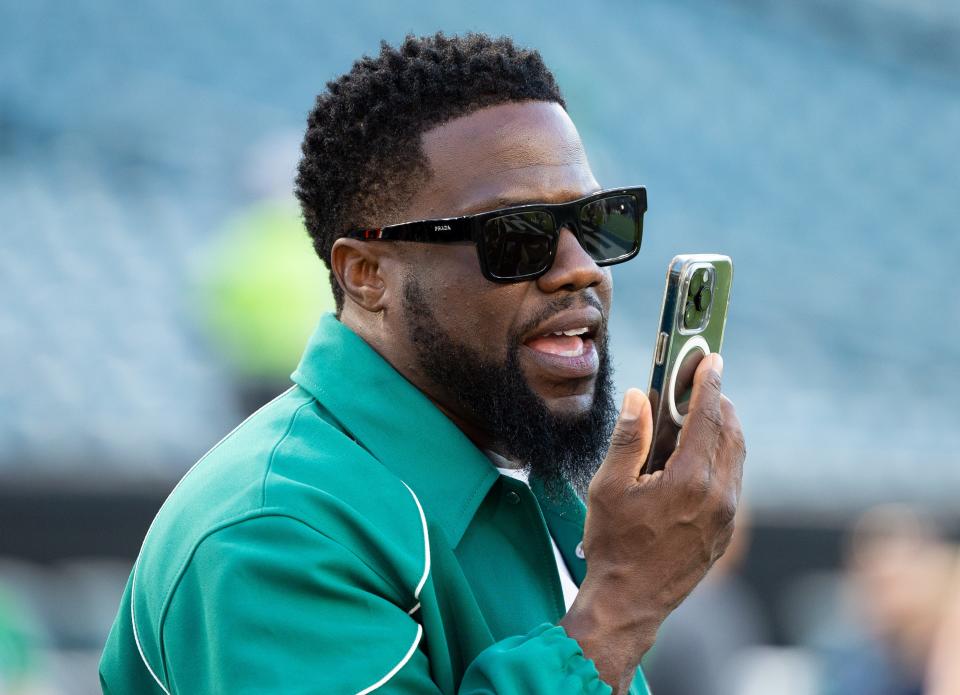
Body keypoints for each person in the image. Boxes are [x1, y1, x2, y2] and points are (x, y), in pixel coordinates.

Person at [99, 32, 745, 694]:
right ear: (367, 275)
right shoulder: (274, 531)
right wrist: (624, 602)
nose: (580, 268)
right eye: (515, 234)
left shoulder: (535, 479)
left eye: (596, 220)